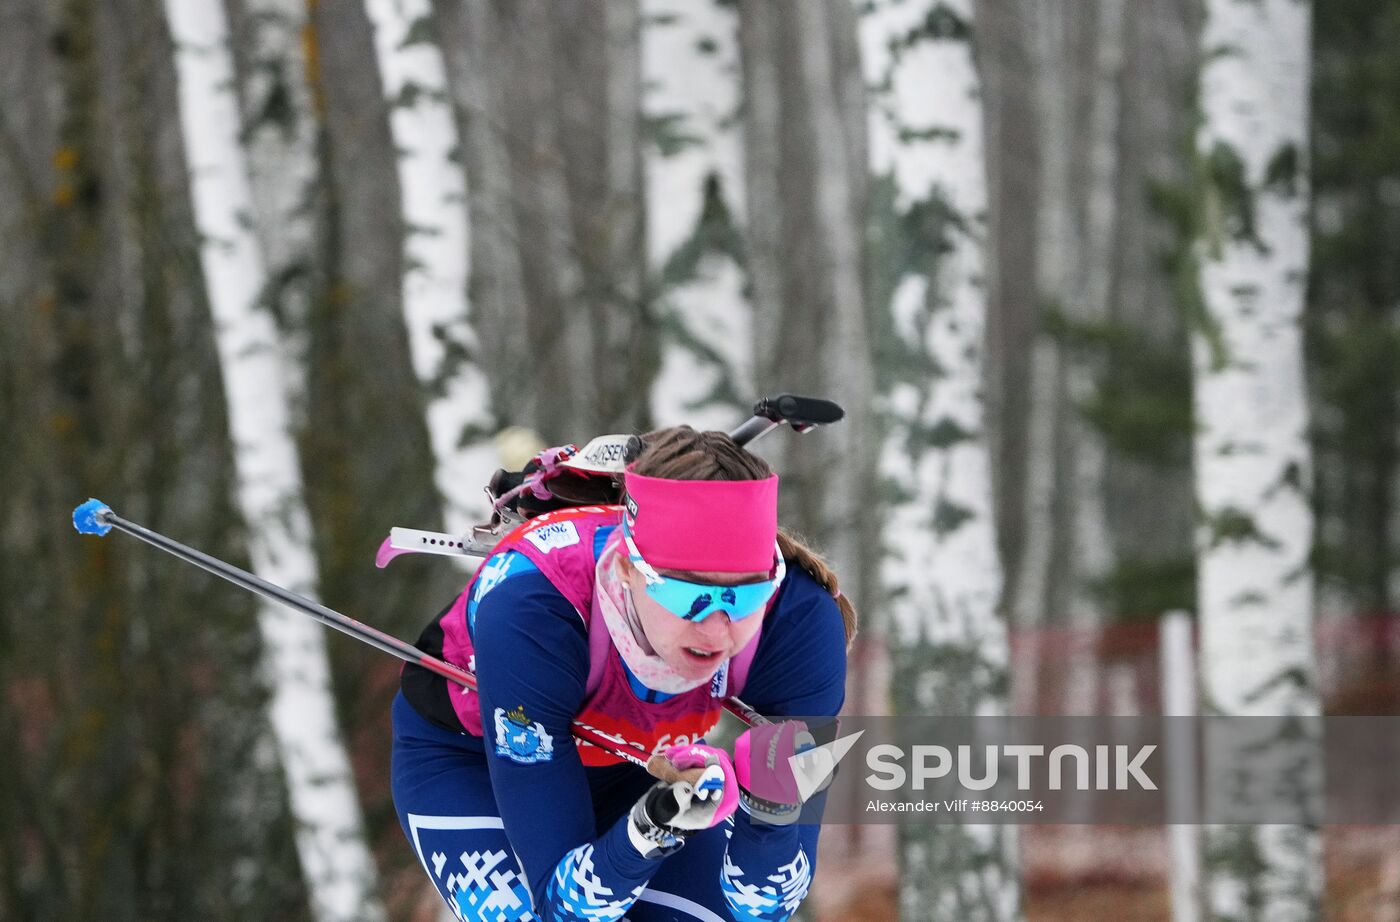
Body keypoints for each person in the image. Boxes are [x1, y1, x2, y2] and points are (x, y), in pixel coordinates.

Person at [391, 426, 855, 922]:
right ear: (628, 568)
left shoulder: (799, 623)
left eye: (744, 595)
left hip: (631, 764)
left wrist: (770, 813)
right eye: (687, 593)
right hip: (473, 761)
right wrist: (650, 831)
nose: (717, 627)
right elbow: (561, 908)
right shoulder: (537, 610)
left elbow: (767, 906)